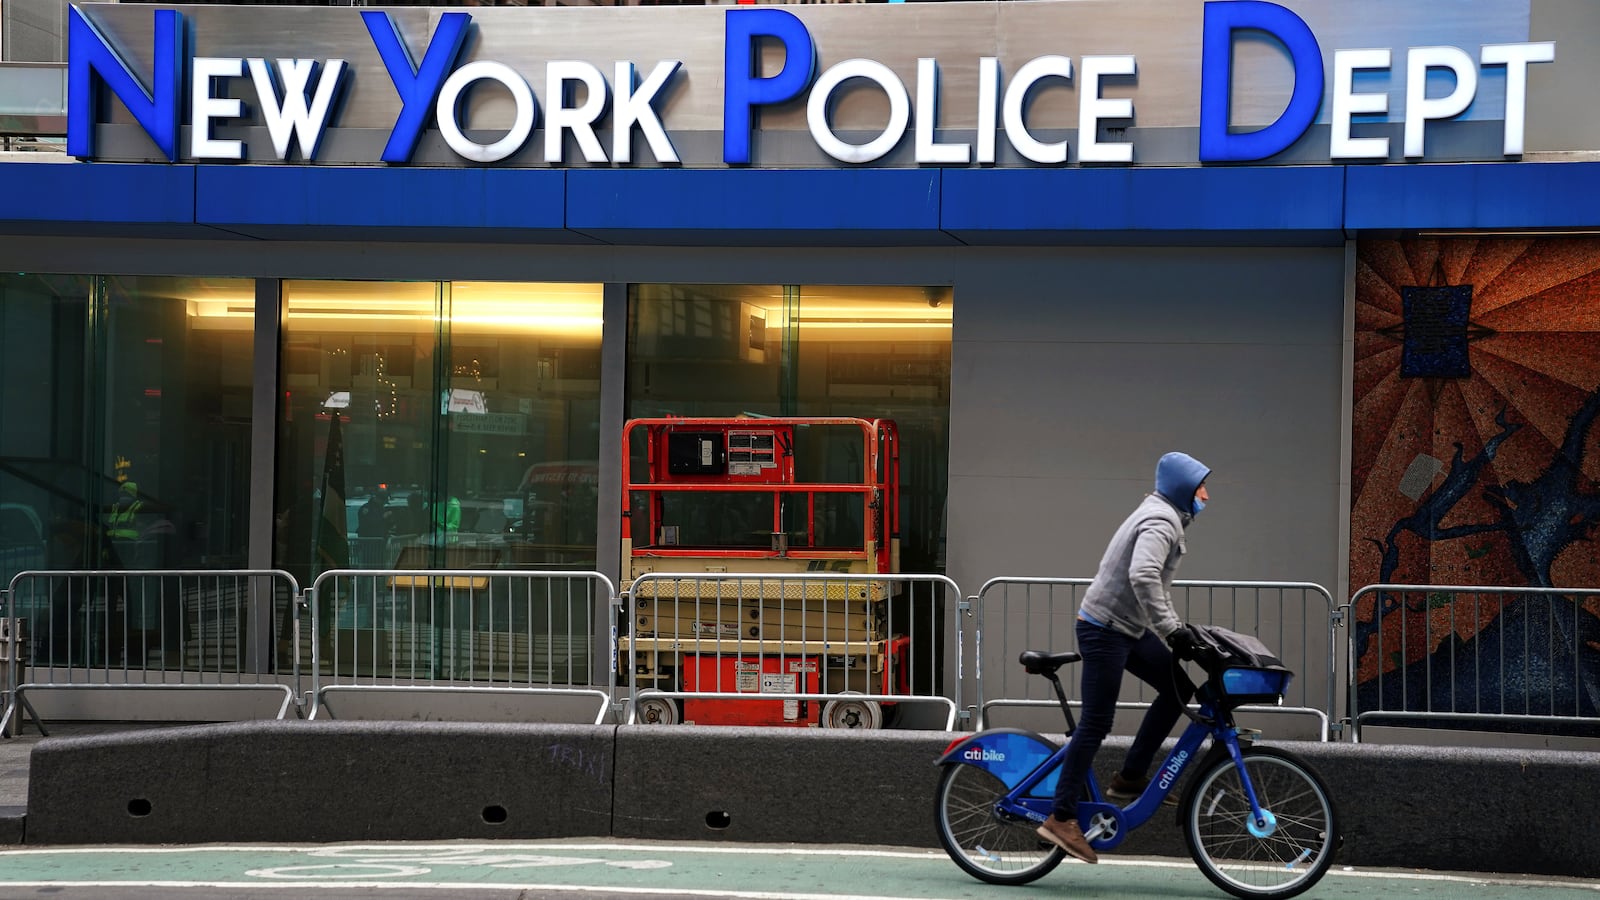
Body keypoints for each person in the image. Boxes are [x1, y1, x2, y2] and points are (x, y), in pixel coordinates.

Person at [1035, 451, 1210, 865]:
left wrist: (1176, 628)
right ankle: (1061, 817)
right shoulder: (1161, 520)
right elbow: (1143, 575)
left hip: (1127, 628)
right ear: (1183, 487)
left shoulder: (1162, 514)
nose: (1206, 496)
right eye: (1201, 487)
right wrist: (1171, 631)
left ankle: (1130, 777)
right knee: (1096, 723)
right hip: (1104, 629)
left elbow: (1154, 586)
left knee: (1178, 689)